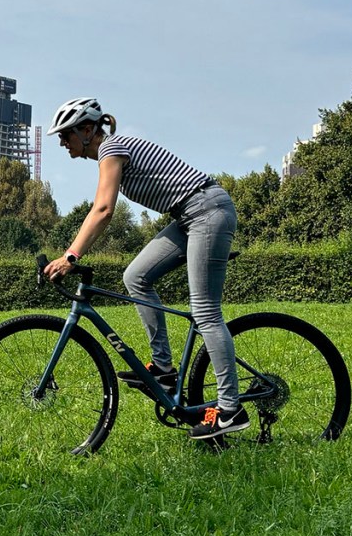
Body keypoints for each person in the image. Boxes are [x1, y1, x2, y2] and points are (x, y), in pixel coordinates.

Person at [42, 97, 248, 440]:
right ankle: (164, 369)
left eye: (66, 135)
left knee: (206, 312)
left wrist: (71, 256)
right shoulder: (109, 152)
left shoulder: (112, 148)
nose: (63, 143)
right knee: (135, 276)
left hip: (208, 211)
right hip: (188, 217)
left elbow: (104, 209)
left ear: (88, 129)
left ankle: (230, 409)